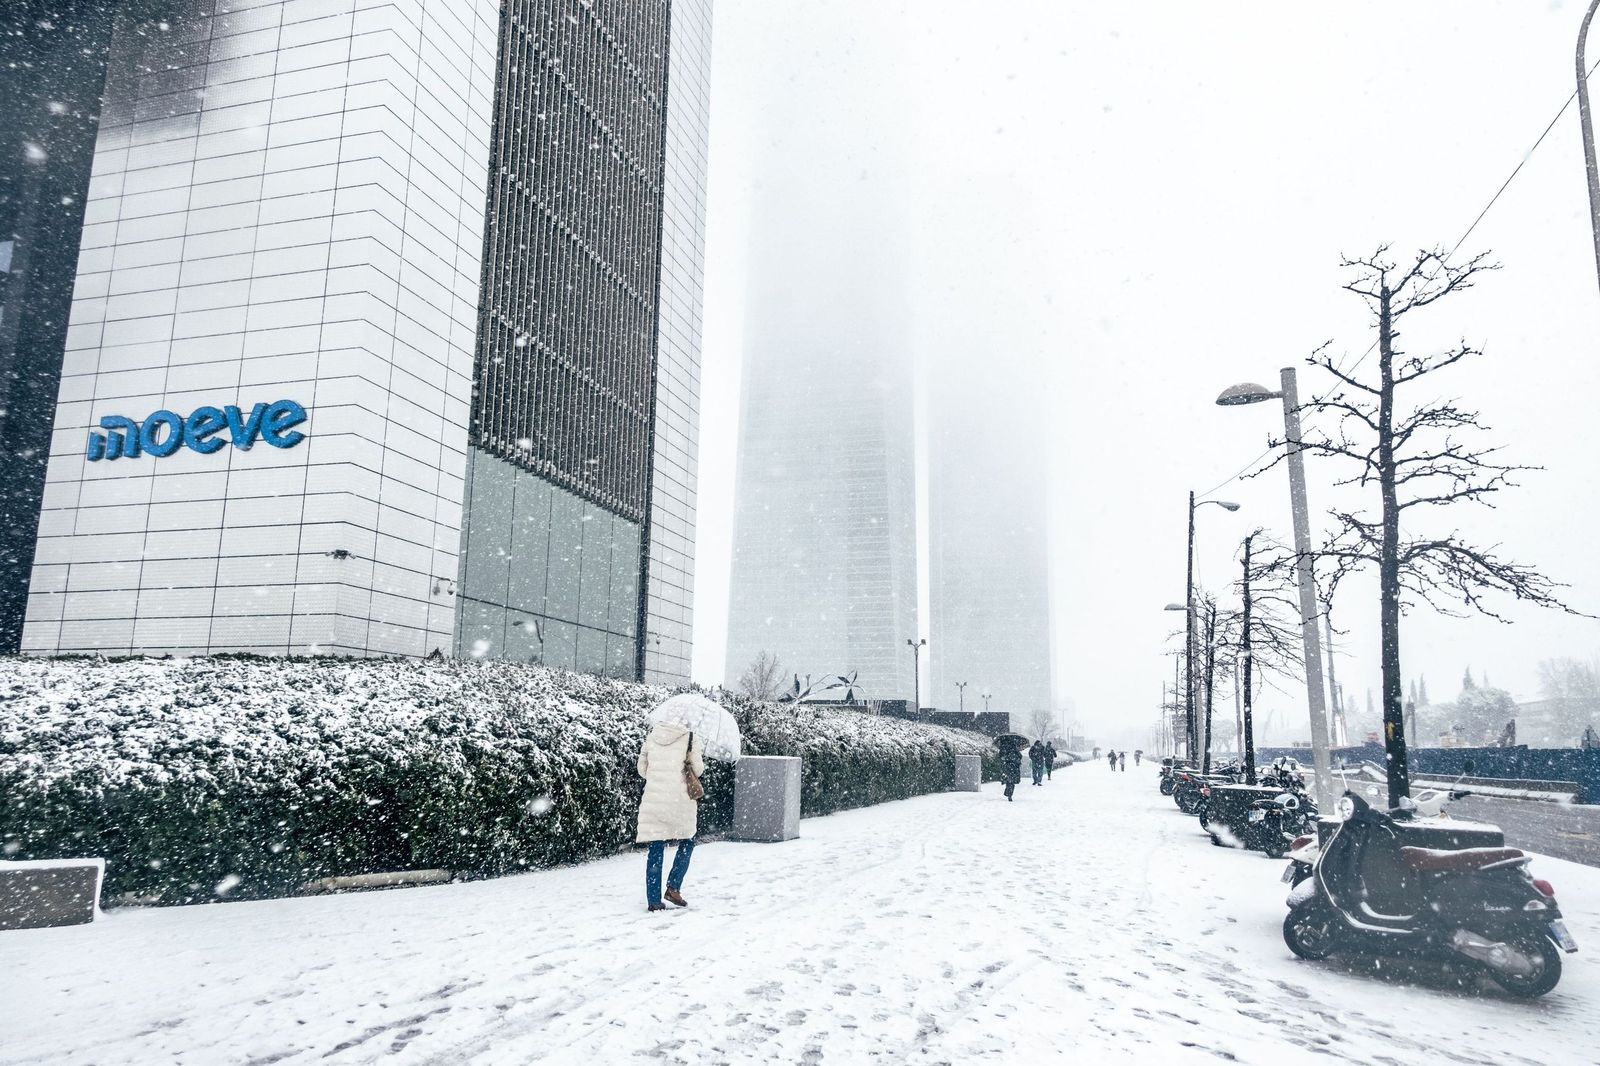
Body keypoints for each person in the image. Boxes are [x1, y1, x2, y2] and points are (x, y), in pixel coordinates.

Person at [636, 720, 704, 912]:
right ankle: (673, 888)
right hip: (679, 801)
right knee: (688, 841)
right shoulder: (690, 738)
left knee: (656, 847)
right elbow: (697, 770)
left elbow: (642, 770)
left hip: (654, 800)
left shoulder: (652, 736)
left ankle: (654, 901)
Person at [996, 735, 1025, 801]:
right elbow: (1019, 756)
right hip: (1014, 766)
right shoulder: (1015, 747)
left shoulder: (1003, 747)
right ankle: (1009, 793)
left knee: (1008, 779)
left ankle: (1008, 792)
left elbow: (1000, 756)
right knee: (1012, 781)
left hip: (1006, 765)